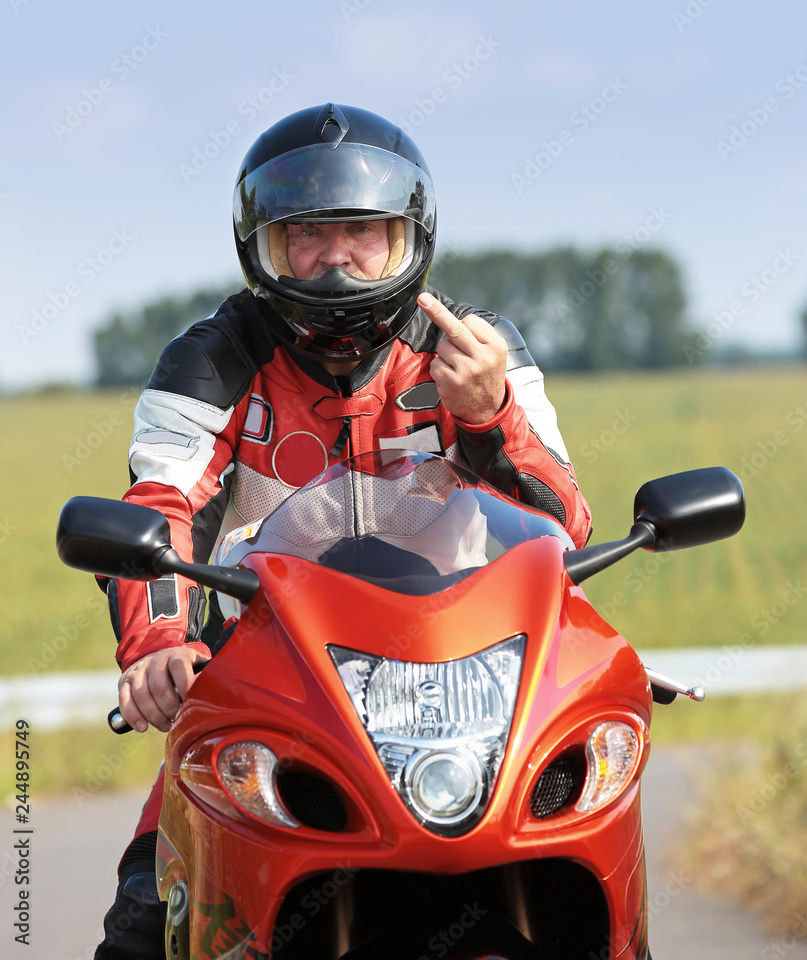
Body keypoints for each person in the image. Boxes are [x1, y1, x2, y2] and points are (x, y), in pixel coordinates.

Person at [94, 102, 592, 959]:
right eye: (306, 234)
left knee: (588, 874)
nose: (336, 258)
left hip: (467, 676)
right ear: (262, 245)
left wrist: (489, 413)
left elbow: (560, 531)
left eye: (364, 230)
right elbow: (159, 509)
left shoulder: (475, 351)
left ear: (409, 238)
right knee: (147, 920)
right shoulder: (212, 358)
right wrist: (159, 644)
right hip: (270, 683)